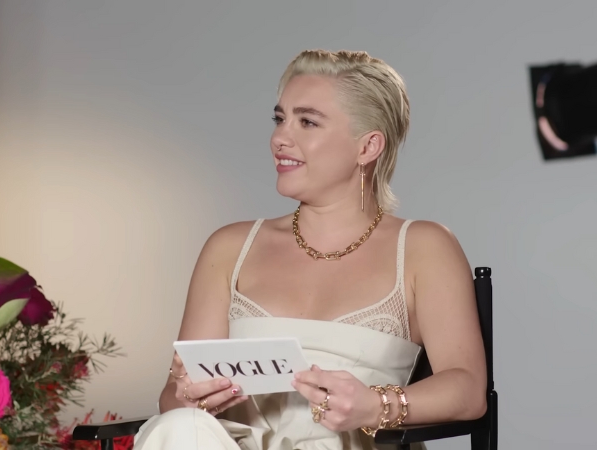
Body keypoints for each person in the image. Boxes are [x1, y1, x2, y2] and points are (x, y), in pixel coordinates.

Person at [134, 49, 487, 450]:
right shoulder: (229, 247)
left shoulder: (424, 247)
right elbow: (172, 400)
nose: (280, 138)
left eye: (307, 122)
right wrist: (186, 397)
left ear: (367, 147)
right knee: (179, 428)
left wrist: (375, 405)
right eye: (279, 119)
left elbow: (468, 389)